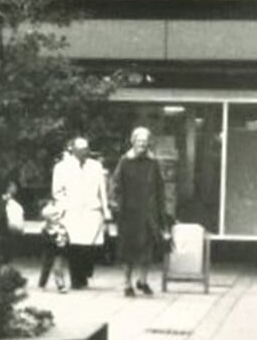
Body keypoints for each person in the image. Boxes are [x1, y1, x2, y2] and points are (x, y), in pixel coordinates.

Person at [110, 126, 171, 297]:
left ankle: (143, 281)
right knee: (127, 251)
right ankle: (127, 284)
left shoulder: (153, 163)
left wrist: (162, 212)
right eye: (139, 142)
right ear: (133, 142)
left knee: (147, 251)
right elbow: (115, 184)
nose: (142, 145)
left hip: (148, 213)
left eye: (145, 142)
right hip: (128, 213)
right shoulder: (125, 161)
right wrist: (115, 202)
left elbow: (160, 188)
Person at [51, 137, 109, 289]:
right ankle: (77, 278)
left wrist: (105, 209)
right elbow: (57, 191)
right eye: (82, 150)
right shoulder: (62, 167)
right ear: (74, 150)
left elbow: (102, 189)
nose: (85, 152)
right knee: (75, 245)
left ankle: (86, 271)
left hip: (92, 209)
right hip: (72, 210)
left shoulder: (96, 166)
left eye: (87, 149)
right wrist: (63, 206)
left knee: (91, 245)